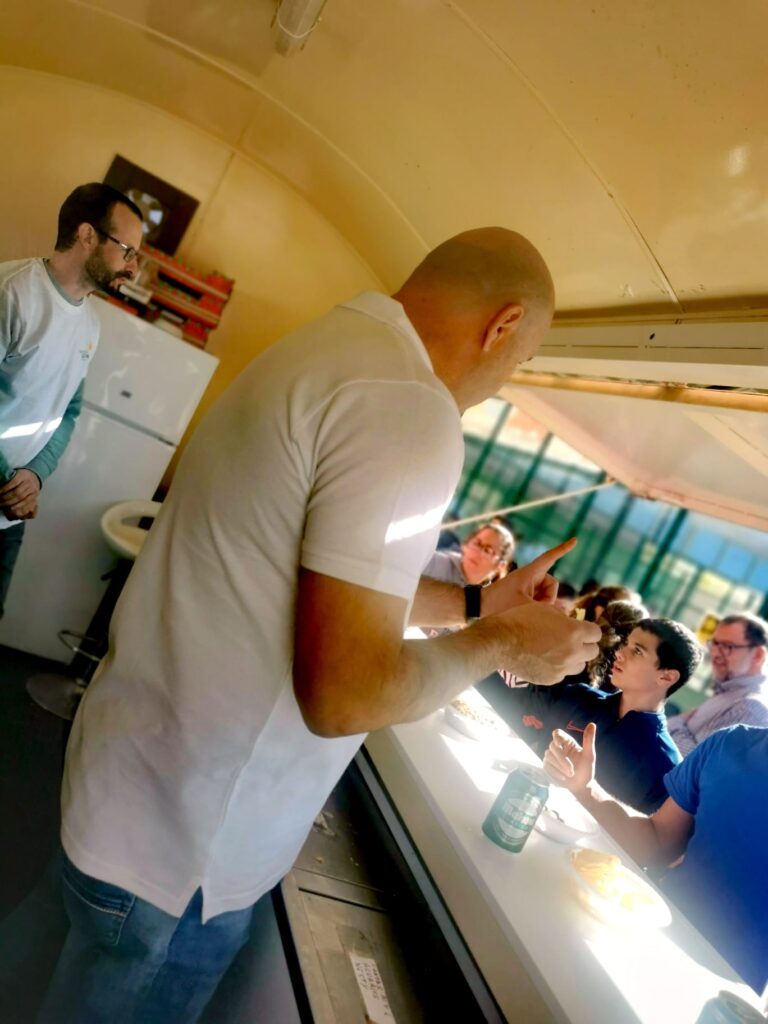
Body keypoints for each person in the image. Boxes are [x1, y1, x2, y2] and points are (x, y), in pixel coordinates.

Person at [19, 227, 601, 1022]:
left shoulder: (325, 348)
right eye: (520, 360)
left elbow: (317, 577)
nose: (505, 382)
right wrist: (504, 643)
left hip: (122, 780)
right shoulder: (410, 407)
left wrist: (478, 607)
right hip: (181, 857)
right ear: (503, 326)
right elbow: (344, 694)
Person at [0, 182, 143, 616]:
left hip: (9, 513)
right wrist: (10, 482)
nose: (133, 269)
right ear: (86, 235)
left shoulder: (90, 326)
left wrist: (35, 475)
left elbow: (68, 412)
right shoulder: (12, 293)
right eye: (128, 251)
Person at [543, 723, 768, 994]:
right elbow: (658, 840)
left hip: (724, 998)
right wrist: (585, 789)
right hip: (634, 939)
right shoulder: (728, 744)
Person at [482, 618, 702, 812]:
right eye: (626, 644)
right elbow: (522, 694)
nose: (620, 653)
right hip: (505, 802)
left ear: (666, 677)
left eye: (637, 651)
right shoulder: (579, 696)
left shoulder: (666, 768)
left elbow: (646, 835)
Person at [667, 613, 768, 755]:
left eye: (728, 646)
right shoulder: (729, 692)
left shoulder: (750, 707)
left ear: (758, 655)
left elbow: (698, 761)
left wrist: (677, 723)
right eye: (714, 643)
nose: (715, 653)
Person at [421, 519, 515, 587]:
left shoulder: (488, 598)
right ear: (466, 544)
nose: (478, 552)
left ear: (500, 566)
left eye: (487, 550)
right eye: (477, 543)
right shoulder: (433, 562)